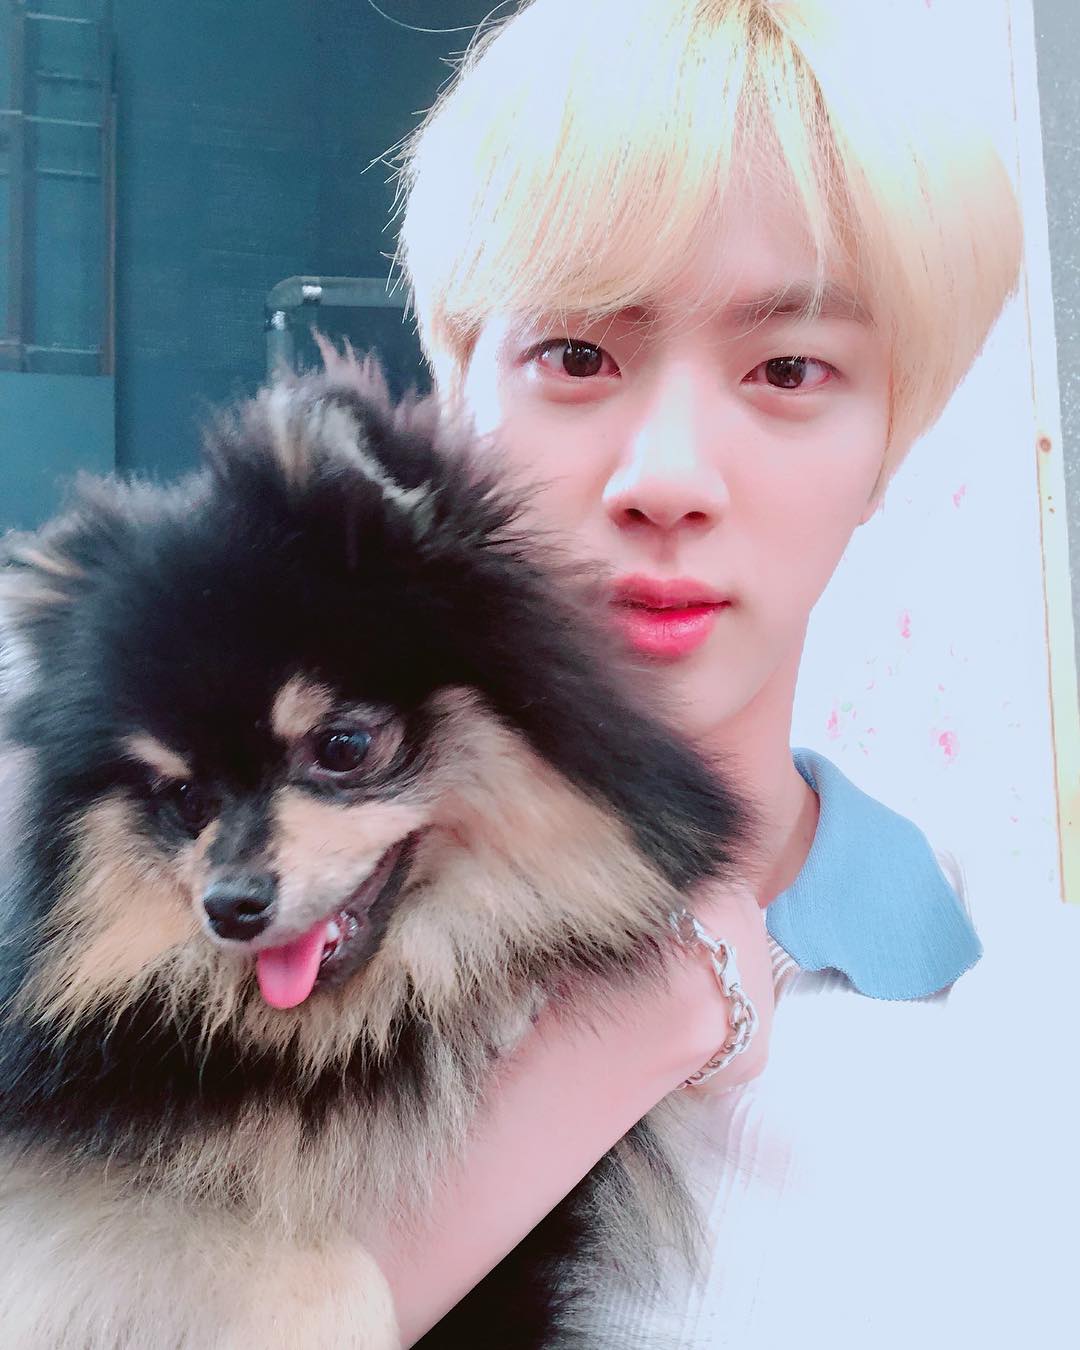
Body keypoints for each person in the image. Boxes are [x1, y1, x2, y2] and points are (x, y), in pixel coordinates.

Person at [363, 1, 1079, 1346]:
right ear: (458, 405)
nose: (671, 477)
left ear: (889, 442)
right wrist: (598, 1056)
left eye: (790, 367)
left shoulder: (1027, 1022)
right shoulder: (235, 901)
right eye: (577, 355)